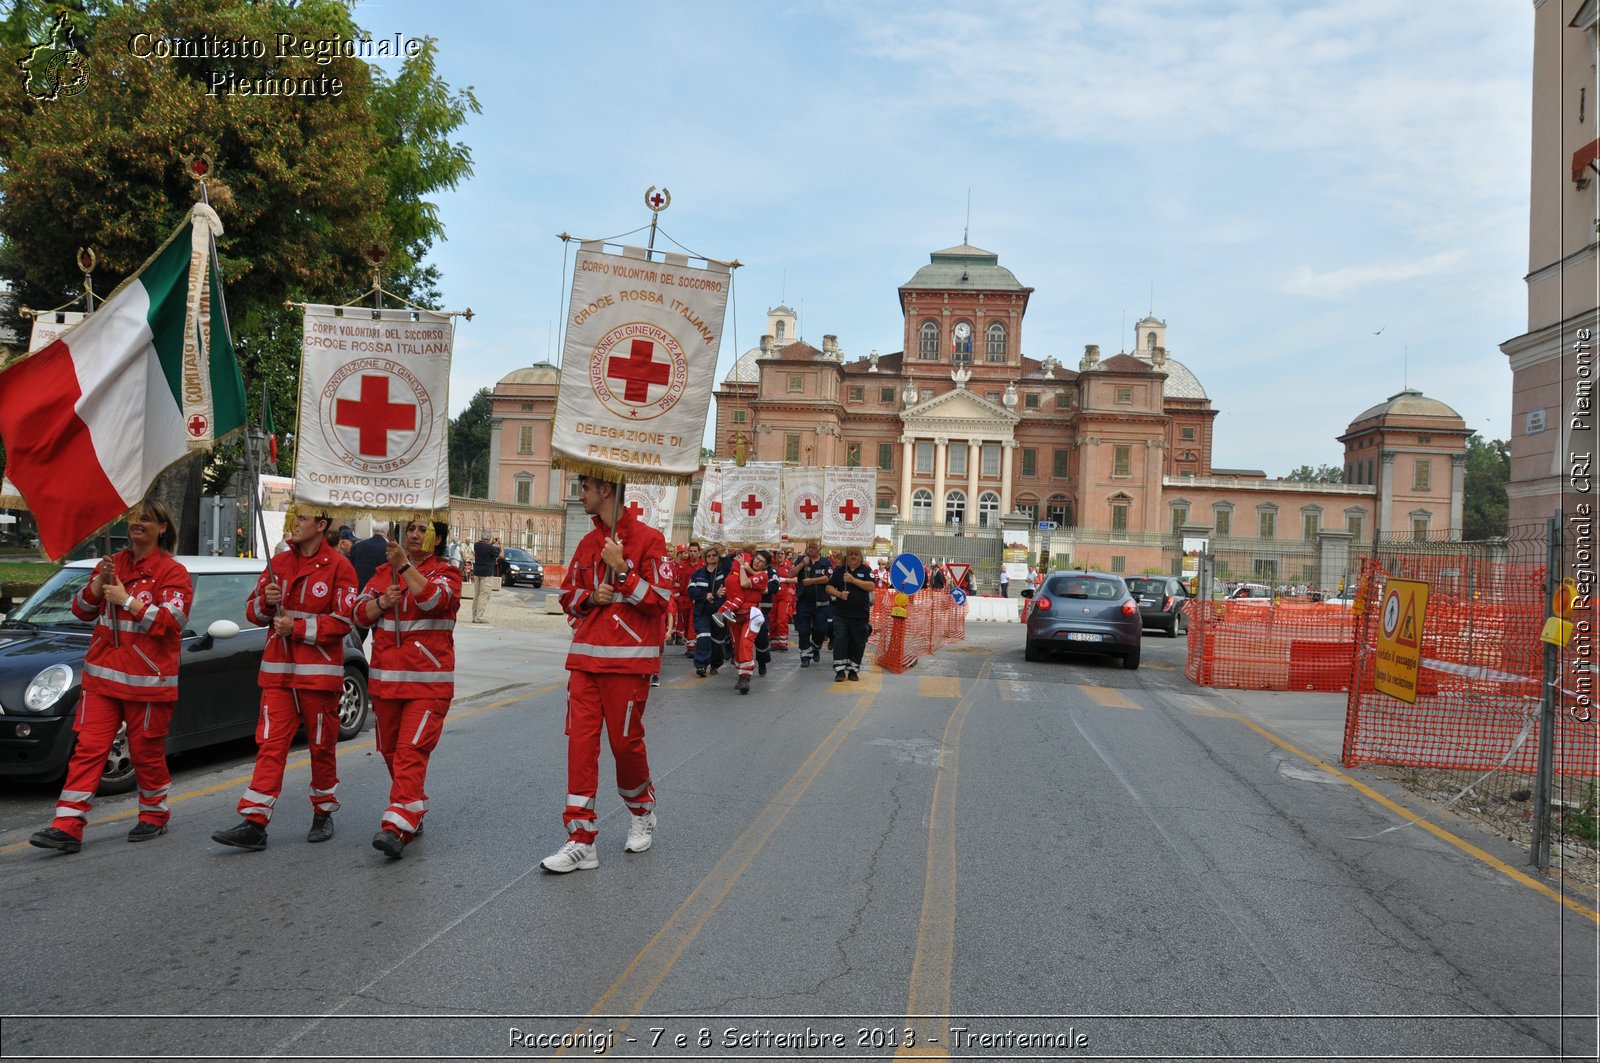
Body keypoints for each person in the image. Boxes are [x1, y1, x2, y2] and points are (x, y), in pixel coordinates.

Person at [29, 501, 192, 854]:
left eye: (147, 520)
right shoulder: (111, 564)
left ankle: (154, 814)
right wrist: (97, 585)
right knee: (88, 750)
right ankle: (67, 827)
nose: (138, 524)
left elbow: (171, 624)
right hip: (102, 680)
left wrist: (127, 600)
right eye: (135, 518)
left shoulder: (173, 572)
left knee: (146, 753)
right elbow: (82, 611)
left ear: (162, 528)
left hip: (147, 684)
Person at [544, 475, 672, 874]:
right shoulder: (586, 543)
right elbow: (567, 594)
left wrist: (623, 572)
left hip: (629, 664)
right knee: (580, 747)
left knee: (625, 745)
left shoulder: (650, 539)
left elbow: (662, 600)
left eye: (585, 487)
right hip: (584, 663)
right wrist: (587, 597)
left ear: (606, 490)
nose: (579, 494)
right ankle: (581, 840)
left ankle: (641, 809)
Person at [212, 509, 357, 851]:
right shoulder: (278, 562)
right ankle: (254, 822)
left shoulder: (341, 567)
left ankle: (323, 813)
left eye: (303, 517)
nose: (295, 522)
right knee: (270, 746)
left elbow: (343, 621)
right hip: (277, 675)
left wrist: (299, 628)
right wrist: (266, 601)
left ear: (321, 526)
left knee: (321, 748)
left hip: (318, 678)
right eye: (294, 515)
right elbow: (252, 612)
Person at [353, 518, 461, 859]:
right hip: (386, 684)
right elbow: (359, 613)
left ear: (438, 537)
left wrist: (404, 568)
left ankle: (397, 827)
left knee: (412, 752)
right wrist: (383, 602)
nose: (414, 534)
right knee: (392, 754)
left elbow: (434, 601)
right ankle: (413, 807)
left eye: (423, 528)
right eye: (410, 528)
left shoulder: (447, 573)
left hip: (428, 685)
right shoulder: (382, 573)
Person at [720, 547, 769, 695]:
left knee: (745, 642)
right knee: (737, 645)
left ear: (765, 566)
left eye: (761, 562)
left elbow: (744, 583)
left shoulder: (763, 576)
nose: (757, 562)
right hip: (735, 614)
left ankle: (745, 677)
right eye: (757, 559)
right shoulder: (746, 569)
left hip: (751, 614)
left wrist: (743, 566)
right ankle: (741, 674)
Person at [827, 547, 875, 682]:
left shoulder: (866, 570)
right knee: (840, 641)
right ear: (846, 557)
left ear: (860, 557)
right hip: (841, 614)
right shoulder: (840, 571)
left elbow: (871, 586)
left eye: (856, 554)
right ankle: (840, 671)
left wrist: (853, 580)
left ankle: (853, 670)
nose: (853, 557)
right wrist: (839, 594)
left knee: (857, 643)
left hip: (860, 615)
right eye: (850, 554)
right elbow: (828, 587)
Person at [793, 541, 833, 669]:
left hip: (821, 604)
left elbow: (827, 578)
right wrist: (801, 564)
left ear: (819, 549)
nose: (810, 550)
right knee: (803, 630)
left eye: (813, 547)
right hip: (803, 603)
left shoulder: (825, 562)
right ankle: (805, 656)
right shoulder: (801, 559)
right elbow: (790, 574)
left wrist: (811, 581)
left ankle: (816, 647)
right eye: (809, 547)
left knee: (820, 630)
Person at [687, 544, 726, 677]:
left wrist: (724, 553)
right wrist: (706, 596)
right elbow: (691, 590)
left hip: (719, 612)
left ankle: (715, 664)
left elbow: (730, 567)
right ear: (704, 558)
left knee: (717, 641)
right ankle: (701, 665)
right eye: (708, 555)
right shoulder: (697, 574)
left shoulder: (723, 571)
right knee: (703, 637)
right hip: (702, 611)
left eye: (714, 555)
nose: (711, 557)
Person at [471, 532, 498, 623]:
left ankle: (474, 615)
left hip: (477, 572)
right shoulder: (490, 548)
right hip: (486, 574)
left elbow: (485, 548)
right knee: (484, 595)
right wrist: (500, 544)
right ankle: (479, 617)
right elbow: (501, 555)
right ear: (489, 538)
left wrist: (491, 542)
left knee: (477, 595)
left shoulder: (476, 545)